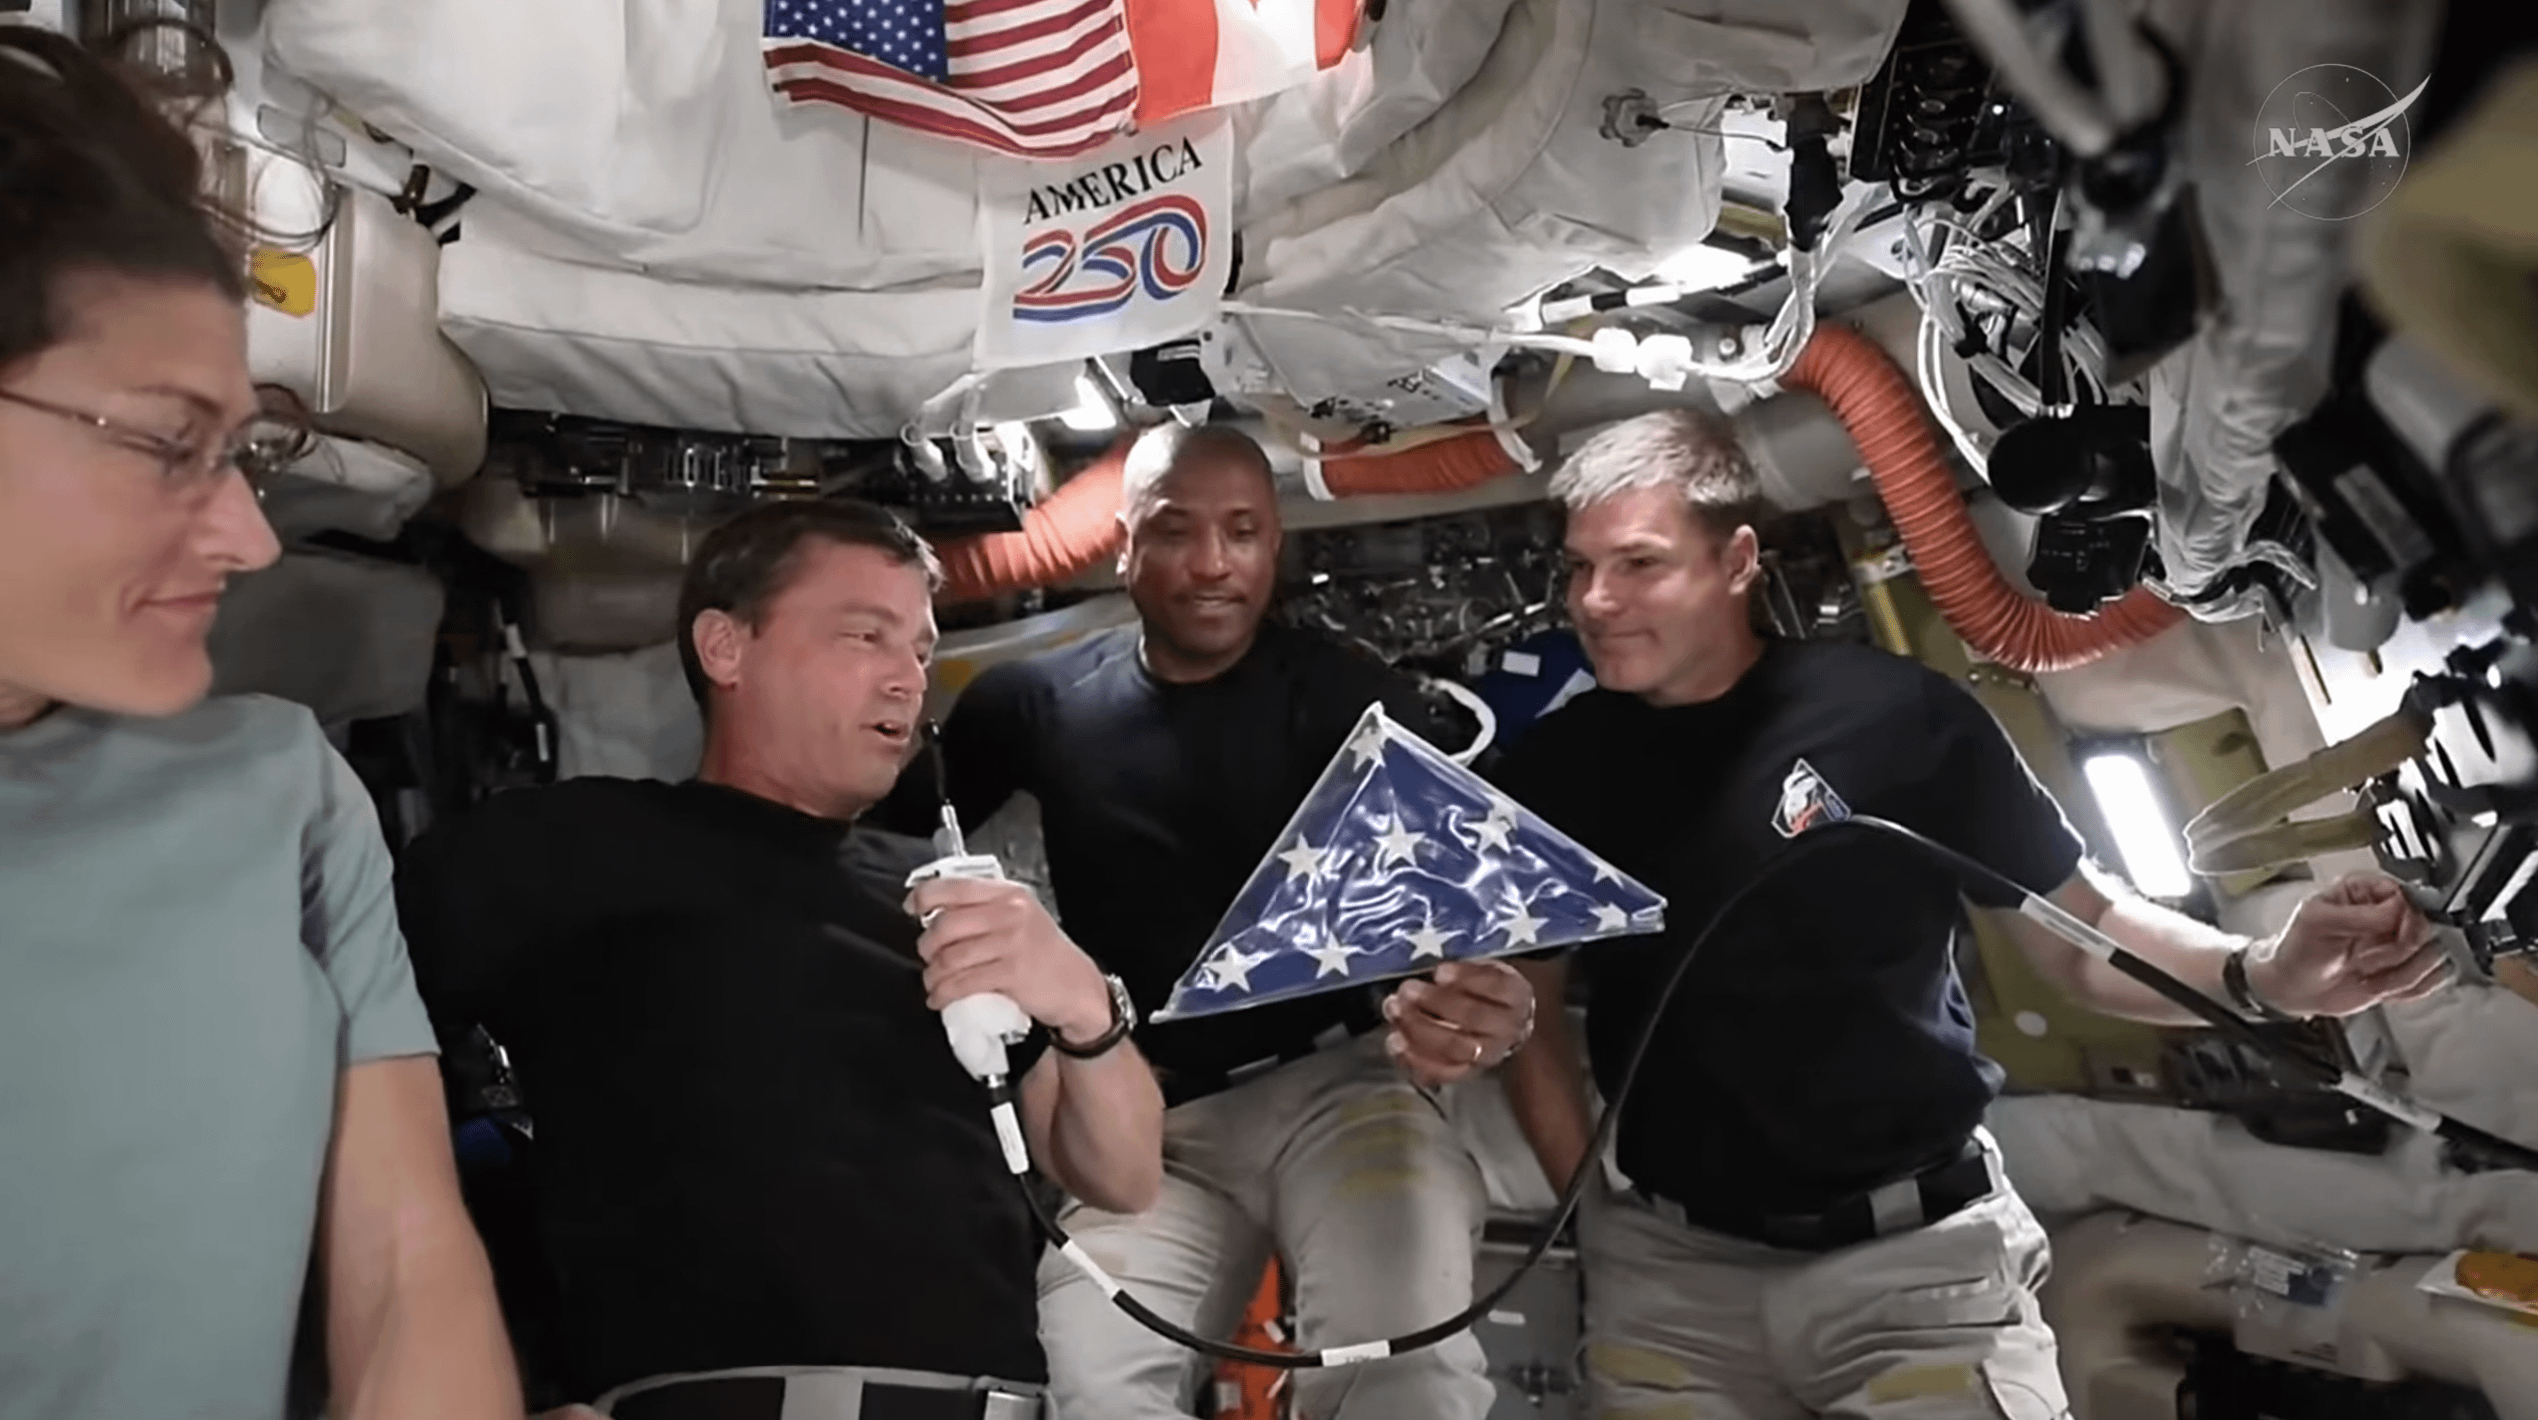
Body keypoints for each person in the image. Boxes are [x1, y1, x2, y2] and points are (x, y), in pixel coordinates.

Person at [1492, 409, 2451, 1420]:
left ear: (1736, 562)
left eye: (1639, 564)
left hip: (1918, 1273)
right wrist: (1588, 1214)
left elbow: (2082, 937)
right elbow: (1524, 1002)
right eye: (1579, 568)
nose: (1594, 600)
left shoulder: (1897, 718)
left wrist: (2263, 976)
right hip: (1671, 1287)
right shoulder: (1558, 769)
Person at [0, 27, 522, 1420]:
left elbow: (406, 1273)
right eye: (168, 444)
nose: (248, 537)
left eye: (243, 454)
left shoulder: (279, 787)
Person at [394, 499, 1166, 1419]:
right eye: (865, 637)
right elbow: (352, 1067)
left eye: (920, 651)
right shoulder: (564, 848)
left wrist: (1083, 1004)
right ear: (726, 649)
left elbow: (1123, 1175)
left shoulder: (948, 894)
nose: (907, 680)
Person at [923, 424, 1532, 1420]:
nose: (1212, 563)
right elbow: (891, 840)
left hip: (1341, 1092)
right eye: (1176, 531)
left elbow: (1481, 901)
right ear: (1124, 546)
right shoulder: (1035, 705)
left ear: (1273, 545)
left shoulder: (1350, 700)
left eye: (1242, 532)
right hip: (1147, 1116)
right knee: (1085, 1381)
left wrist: (1486, 1004)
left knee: (1407, 1364)